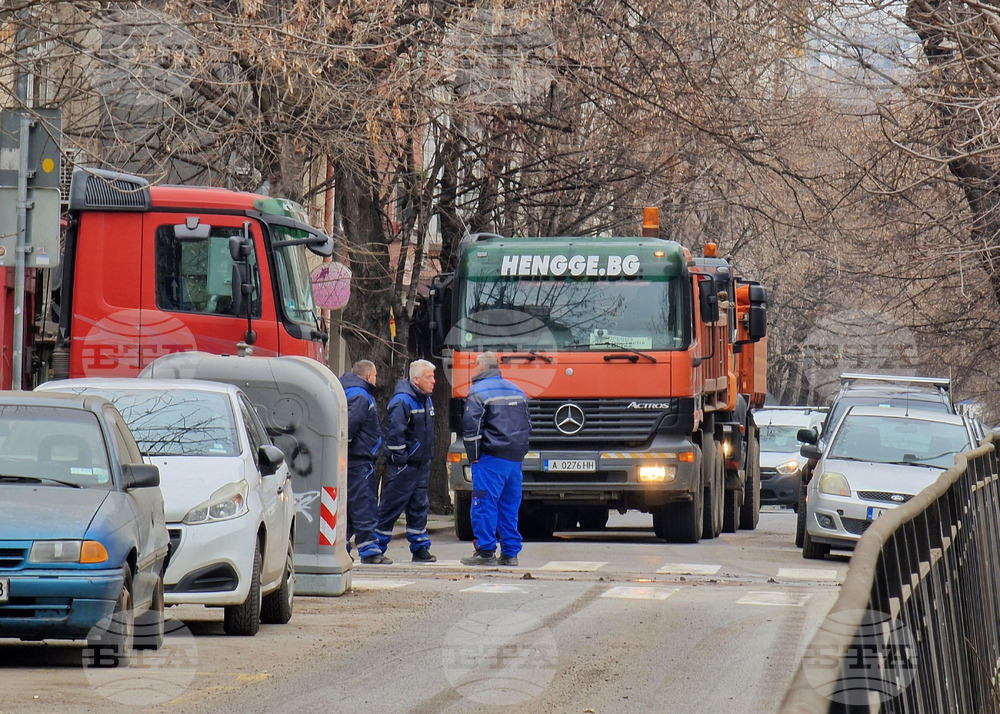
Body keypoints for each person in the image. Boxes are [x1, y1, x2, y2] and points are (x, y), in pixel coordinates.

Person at [460, 352, 531, 566]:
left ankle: (486, 550)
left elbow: (471, 428)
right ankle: (510, 552)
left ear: (481, 366)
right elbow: (527, 424)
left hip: (490, 458)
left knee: (484, 503)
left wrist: (474, 457)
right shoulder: (517, 390)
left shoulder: (478, 392)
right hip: (514, 459)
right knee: (509, 506)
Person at [374, 360, 438, 563]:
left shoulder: (425, 399)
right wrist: (401, 461)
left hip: (421, 464)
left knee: (419, 506)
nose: (434, 381)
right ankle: (375, 548)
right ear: (416, 379)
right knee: (391, 506)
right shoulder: (403, 401)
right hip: (405, 466)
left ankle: (420, 548)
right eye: (430, 377)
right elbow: (394, 434)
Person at [339, 360, 390, 564]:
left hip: (354, 459)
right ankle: (369, 550)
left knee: (351, 507)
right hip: (359, 460)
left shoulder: (350, 391)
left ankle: (342, 548)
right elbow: (350, 426)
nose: (376, 379)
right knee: (364, 504)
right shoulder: (361, 395)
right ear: (368, 376)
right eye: (375, 375)